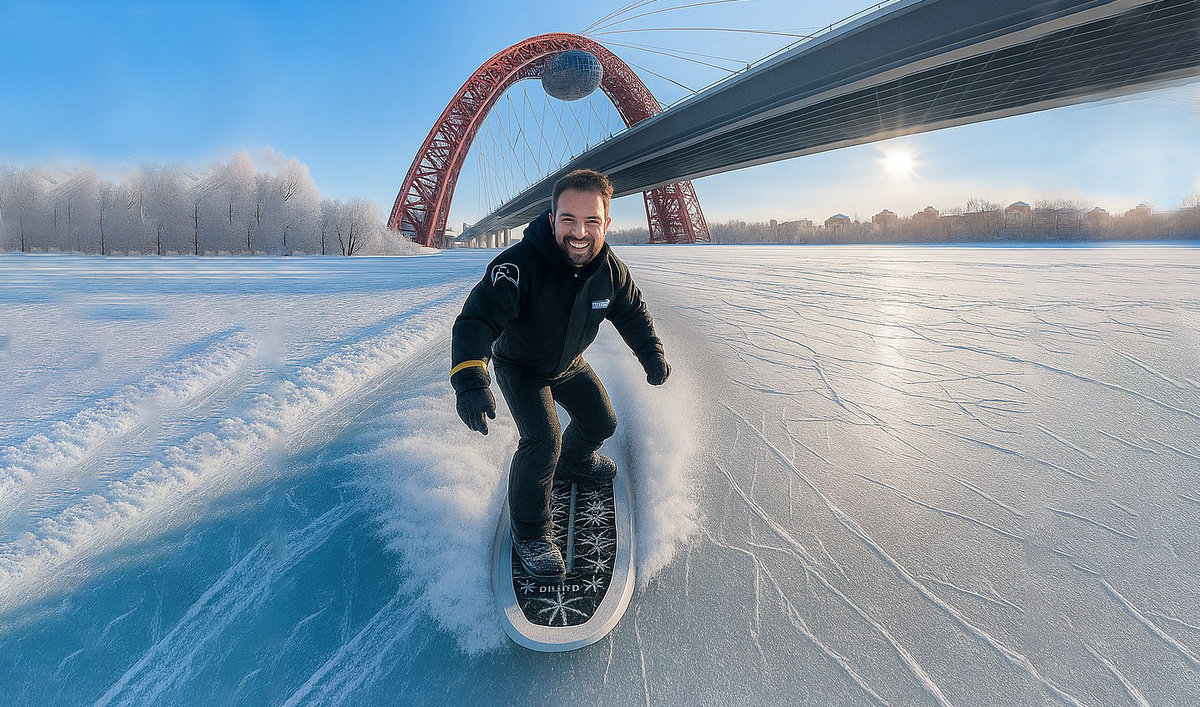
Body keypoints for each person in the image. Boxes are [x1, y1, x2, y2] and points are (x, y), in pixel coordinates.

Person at [450, 169, 670, 580]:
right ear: (552, 220)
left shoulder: (611, 272)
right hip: (522, 367)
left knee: (601, 421)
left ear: (606, 223)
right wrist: (470, 381)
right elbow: (476, 321)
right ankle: (531, 534)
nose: (579, 232)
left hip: (569, 365)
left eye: (591, 221)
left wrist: (651, 354)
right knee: (542, 440)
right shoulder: (516, 266)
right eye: (568, 219)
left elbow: (633, 313)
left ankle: (574, 461)